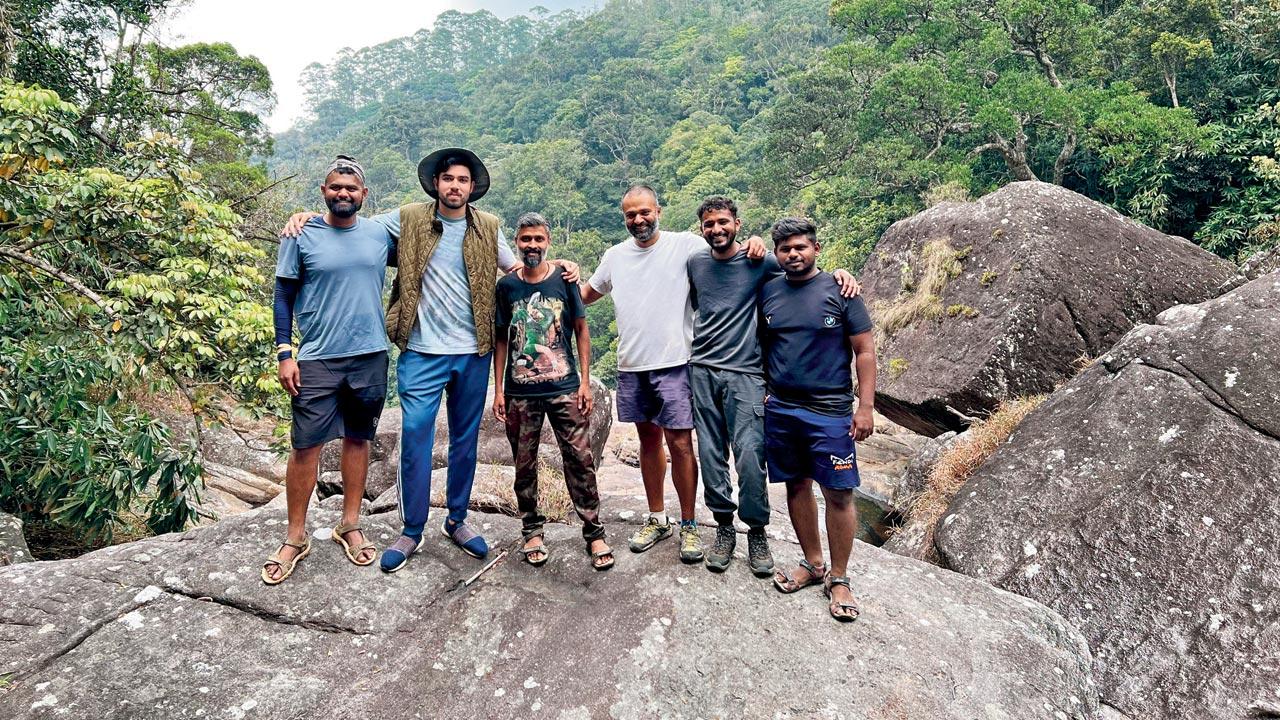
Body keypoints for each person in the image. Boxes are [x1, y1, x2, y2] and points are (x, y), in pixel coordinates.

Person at [280, 148, 578, 572]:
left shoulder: (488, 227)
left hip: (472, 352)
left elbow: (519, 272)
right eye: (447, 179)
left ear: (471, 187)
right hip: (421, 350)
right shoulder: (408, 219)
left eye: (462, 180)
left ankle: (457, 520)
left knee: (463, 442)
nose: (454, 186)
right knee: (416, 438)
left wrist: (559, 265)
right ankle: (411, 528)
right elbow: (350, 222)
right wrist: (305, 216)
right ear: (436, 184)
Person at [581, 185, 765, 563]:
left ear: (658, 211)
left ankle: (689, 524)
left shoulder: (685, 246)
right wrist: (556, 275)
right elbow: (586, 294)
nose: (639, 220)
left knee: (680, 444)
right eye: (631, 214)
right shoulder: (614, 256)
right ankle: (656, 517)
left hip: (677, 363)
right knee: (649, 444)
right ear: (624, 218)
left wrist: (756, 241)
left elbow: (724, 245)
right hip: (632, 365)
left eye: (644, 212)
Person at [686, 197, 859, 577]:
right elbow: (702, 306)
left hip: (746, 373)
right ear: (701, 228)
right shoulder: (696, 263)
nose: (716, 229)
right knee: (712, 454)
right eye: (709, 223)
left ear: (737, 223)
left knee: (750, 455)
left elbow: (803, 276)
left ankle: (757, 531)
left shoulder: (760, 261)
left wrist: (840, 274)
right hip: (701, 369)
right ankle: (724, 528)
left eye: (723, 222)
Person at [263, 155, 391, 585]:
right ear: (324, 191)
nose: (343, 194)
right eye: (335, 187)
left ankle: (350, 524)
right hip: (317, 356)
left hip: (371, 353)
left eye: (351, 189)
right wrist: (285, 352)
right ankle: (295, 536)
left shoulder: (379, 233)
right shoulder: (301, 234)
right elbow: (283, 295)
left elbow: (435, 233)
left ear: (364, 195)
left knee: (358, 439)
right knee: (305, 445)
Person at [759, 217, 876, 622]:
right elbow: (762, 346)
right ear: (777, 255)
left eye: (800, 248)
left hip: (831, 411)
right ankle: (813, 564)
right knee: (796, 485)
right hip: (783, 408)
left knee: (839, 492)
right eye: (785, 249)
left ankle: (840, 577)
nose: (793, 254)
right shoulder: (769, 291)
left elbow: (864, 350)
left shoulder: (840, 290)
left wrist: (865, 406)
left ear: (816, 249)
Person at [493, 212, 613, 570]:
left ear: (548, 242)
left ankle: (594, 531)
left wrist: (585, 381)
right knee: (524, 462)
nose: (532, 245)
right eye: (526, 239)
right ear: (517, 242)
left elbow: (581, 330)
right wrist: (498, 389)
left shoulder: (564, 279)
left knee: (579, 458)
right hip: (520, 391)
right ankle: (531, 529)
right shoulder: (507, 287)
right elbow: (500, 338)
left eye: (538, 239)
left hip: (564, 387)